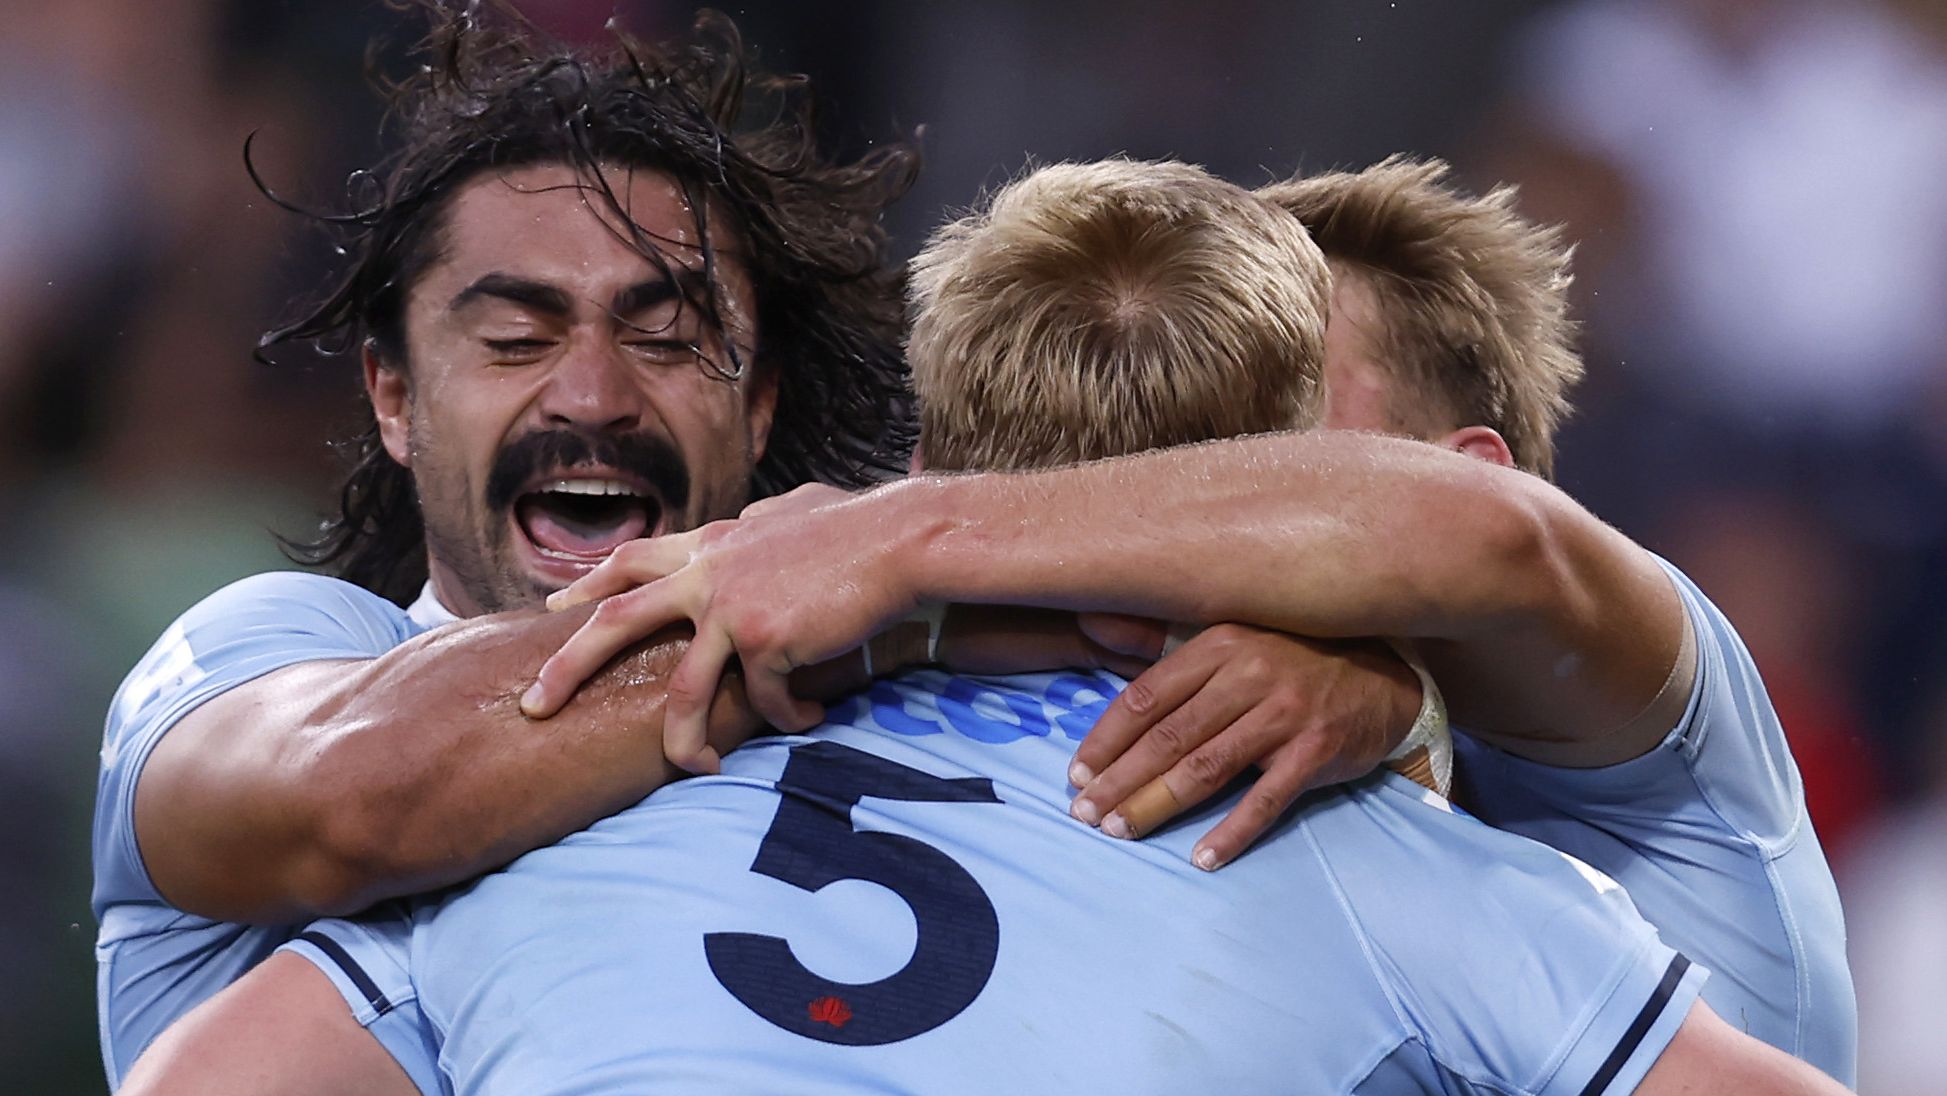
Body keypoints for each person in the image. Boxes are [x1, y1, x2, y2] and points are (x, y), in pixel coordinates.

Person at [122, 158, 1842, 1096]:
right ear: (391, 394)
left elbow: (1485, 554)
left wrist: (912, 548)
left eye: (1276, 487)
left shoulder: (1619, 757)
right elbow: (349, 798)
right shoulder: (1418, 887)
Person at [87, 4, 930, 1082]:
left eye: (665, 339)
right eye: (517, 340)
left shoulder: (894, 692)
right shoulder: (283, 647)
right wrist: (892, 607)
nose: (592, 394)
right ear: (394, 399)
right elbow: (363, 796)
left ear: (758, 405)